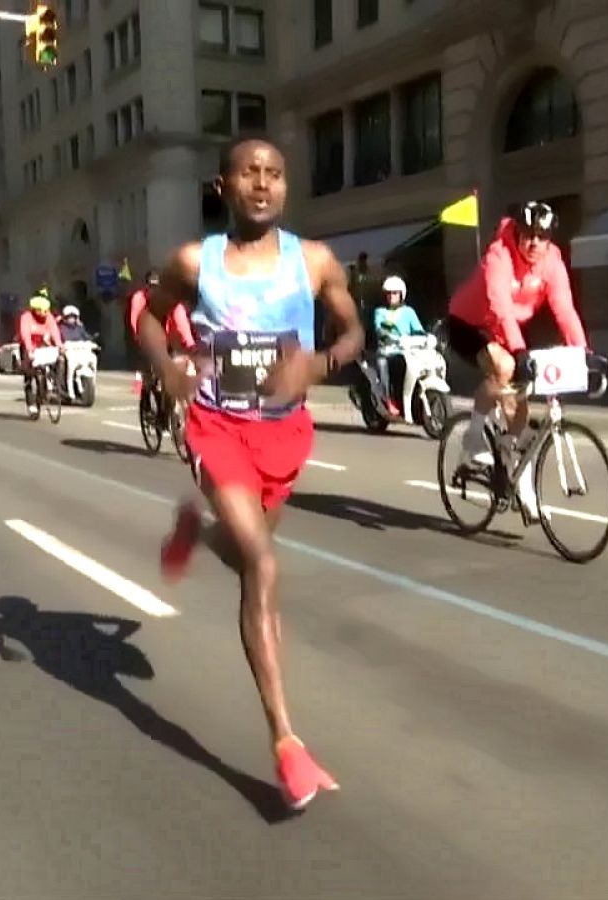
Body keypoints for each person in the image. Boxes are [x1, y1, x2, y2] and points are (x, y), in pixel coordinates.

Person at [136, 136, 363, 811]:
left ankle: (197, 533)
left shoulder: (314, 261)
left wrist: (317, 364)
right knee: (262, 568)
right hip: (216, 426)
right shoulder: (192, 262)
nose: (262, 184)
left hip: (284, 434)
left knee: (245, 557)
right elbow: (149, 319)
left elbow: (353, 333)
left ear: (285, 187)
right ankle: (286, 741)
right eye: (248, 174)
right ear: (223, 186)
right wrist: (168, 366)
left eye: (274, 174)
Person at [444, 201, 588, 519]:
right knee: (505, 367)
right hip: (469, 324)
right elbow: (500, 306)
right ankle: (473, 439)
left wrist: (585, 353)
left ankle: (519, 480)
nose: (534, 243)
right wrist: (519, 351)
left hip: (506, 329)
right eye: (527, 235)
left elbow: (564, 309)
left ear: (550, 239)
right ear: (518, 233)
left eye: (542, 236)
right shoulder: (499, 255)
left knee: (519, 405)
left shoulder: (552, 262)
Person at [127, 269, 196, 428]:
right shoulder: (139, 298)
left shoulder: (172, 302)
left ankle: (171, 406)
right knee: (154, 378)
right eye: (152, 287)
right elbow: (134, 320)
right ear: (147, 287)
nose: (155, 291)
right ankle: (158, 414)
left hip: (168, 341)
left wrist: (191, 346)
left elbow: (182, 325)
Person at [371, 274, 425, 416]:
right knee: (383, 366)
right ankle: (388, 400)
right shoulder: (380, 312)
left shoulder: (409, 312)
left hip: (406, 351)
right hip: (386, 351)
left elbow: (418, 329)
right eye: (388, 293)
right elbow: (378, 328)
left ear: (401, 294)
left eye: (394, 293)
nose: (391, 296)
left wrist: (425, 337)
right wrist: (385, 335)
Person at [17, 295, 63, 416]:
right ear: (34, 309)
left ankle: (50, 384)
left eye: (45, 310)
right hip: (28, 347)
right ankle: (30, 403)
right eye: (40, 310)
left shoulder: (48, 317)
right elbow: (25, 334)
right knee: (29, 375)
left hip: (42, 345)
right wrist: (29, 350)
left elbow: (54, 331)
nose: (43, 313)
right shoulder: (26, 317)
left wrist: (59, 345)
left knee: (56, 360)